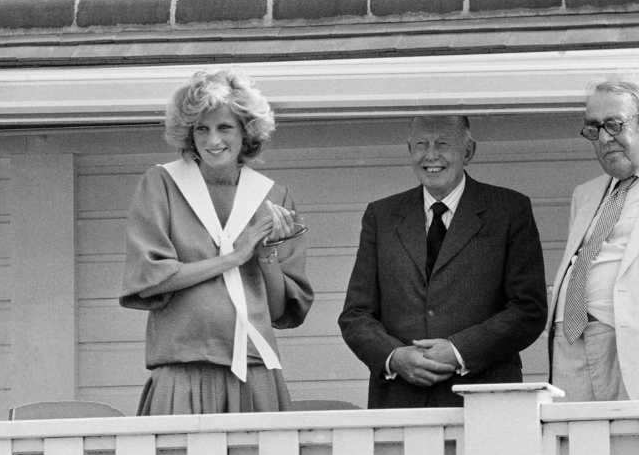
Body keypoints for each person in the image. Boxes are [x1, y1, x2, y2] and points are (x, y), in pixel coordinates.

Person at [119, 69, 313, 415]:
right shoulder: (162, 183)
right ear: (188, 133)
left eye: (224, 128)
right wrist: (234, 257)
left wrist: (265, 255)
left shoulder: (273, 196)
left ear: (246, 132)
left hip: (255, 370)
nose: (213, 140)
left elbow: (282, 311)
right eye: (201, 129)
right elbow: (150, 279)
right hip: (183, 369)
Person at [338, 115, 547, 408]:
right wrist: (395, 358)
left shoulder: (509, 210)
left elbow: (529, 310)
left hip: (485, 401)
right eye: (421, 144)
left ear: (469, 151)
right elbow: (356, 315)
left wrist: (459, 351)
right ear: (409, 149)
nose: (431, 155)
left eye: (443, 144)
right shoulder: (381, 216)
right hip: (400, 401)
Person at [548, 80, 639, 401]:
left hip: (625, 338)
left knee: (629, 445)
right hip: (568, 337)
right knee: (575, 443)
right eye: (594, 128)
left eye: (614, 125)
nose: (604, 138)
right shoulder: (586, 194)